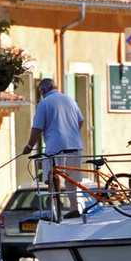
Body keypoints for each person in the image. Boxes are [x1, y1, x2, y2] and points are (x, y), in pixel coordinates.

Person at [21, 78, 84, 217]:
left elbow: (37, 128)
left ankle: (56, 211)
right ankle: (74, 208)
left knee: (52, 178)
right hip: (75, 145)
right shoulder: (70, 100)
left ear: (43, 90)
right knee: (71, 179)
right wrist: (70, 133)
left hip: (55, 147)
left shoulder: (44, 103)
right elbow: (81, 120)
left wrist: (29, 146)